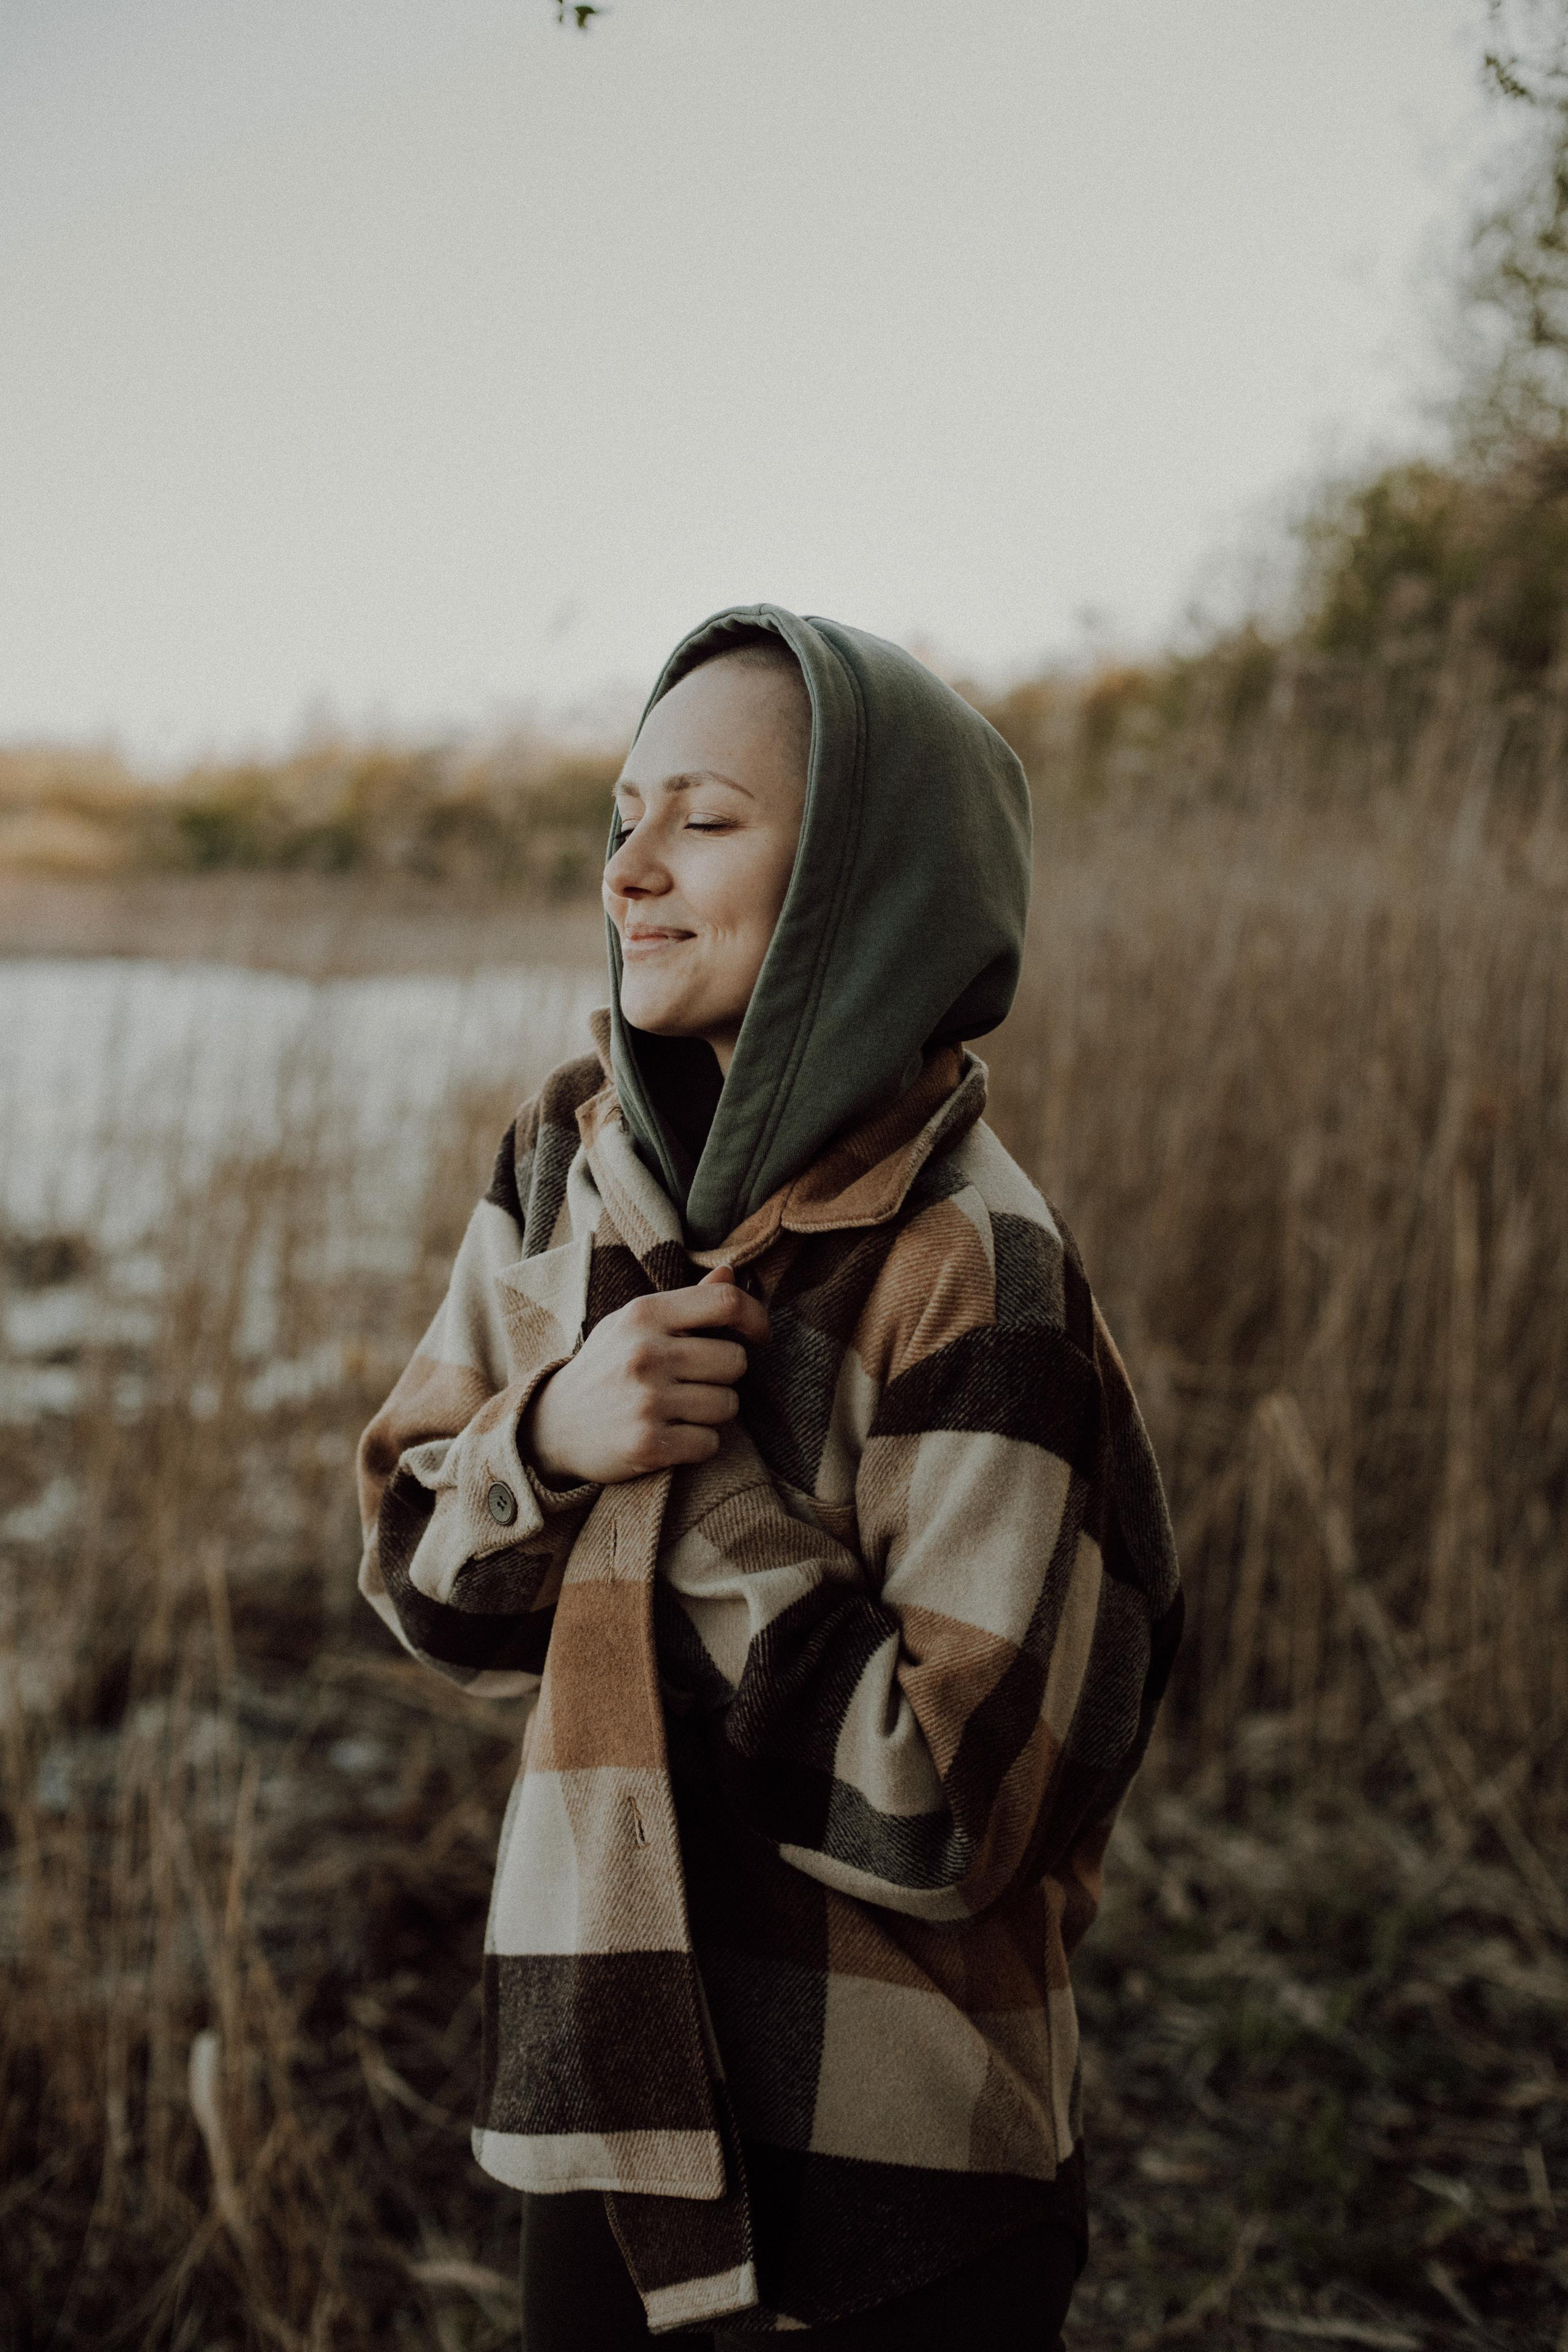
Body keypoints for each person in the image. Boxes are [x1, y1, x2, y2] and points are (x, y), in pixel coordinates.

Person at [356, 604, 1183, 2346]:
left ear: (867, 887)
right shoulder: (563, 1169)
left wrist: (703, 1500)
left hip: (891, 2170)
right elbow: (420, 1583)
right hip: (607, 2080)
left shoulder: (980, 1276)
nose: (631, 871)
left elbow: (952, 1817)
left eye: (706, 821)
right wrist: (551, 1436)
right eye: (621, 818)